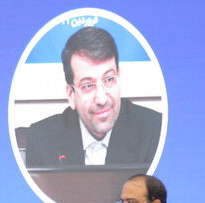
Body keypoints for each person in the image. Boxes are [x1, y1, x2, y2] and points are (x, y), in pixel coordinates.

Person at [25, 26, 162, 168]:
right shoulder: (41, 139)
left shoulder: (155, 131)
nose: (102, 100)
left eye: (109, 79)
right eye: (88, 85)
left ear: (119, 78)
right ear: (71, 94)